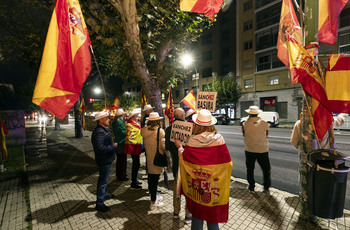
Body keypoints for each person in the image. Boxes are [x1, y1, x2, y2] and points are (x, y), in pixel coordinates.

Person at [175, 109, 233, 230]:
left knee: (197, 216)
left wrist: (180, 148)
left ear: (196, 125)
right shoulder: (219, 139)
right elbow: (227, 164)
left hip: (198, 186)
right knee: (212, 219)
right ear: (211, 124)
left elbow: (186, 162)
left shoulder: (192, 141)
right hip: (213, 187)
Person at [165, 108, 191, 222]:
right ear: (182, 116)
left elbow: (167, 147)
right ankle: (188, 215)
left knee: (177, 189)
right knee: (188, 190)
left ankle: (176, 212)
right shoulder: (188, 128)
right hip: (187, 164)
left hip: (176, 164)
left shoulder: (169, 129)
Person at [91, 112, 118, 212]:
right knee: (102, 181)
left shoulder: (103, 130)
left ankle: (105, 195)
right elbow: (100, 148)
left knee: (105, 179)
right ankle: (100, 203)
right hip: (104, 160)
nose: (108, 120)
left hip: (106, 159)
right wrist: (113, 146)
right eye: (106, 118)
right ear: (101, 120)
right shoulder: (99, 132)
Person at [241, 105, 271, 195]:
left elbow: (244, 134)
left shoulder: (244, 124)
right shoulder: (265, 123)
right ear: (258, 113)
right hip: (262, 150)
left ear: (249, 114)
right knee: (266, 169)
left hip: (249, 150)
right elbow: (266, 135)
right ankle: (266, 188)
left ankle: (251, 187)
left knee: (250, 169)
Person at [141, 112, 166, 210]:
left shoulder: (144, 131)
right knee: (155, 180)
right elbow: (164, 146)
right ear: (157, 121)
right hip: (157, 158)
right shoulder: (160, 131)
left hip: (149, 158)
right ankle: (153, 201)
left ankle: (152, 196)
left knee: (151, 178)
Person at [125, 109, 143, 190]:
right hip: (134, 147)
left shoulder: (134, 123)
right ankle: (133, 183)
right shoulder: (130, 125)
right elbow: (131, 136)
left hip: (136, 146)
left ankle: (135, 180)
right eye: (136, 116)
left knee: (136, 164)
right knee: (136, 164)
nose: (138, 117)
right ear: (132, 117)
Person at [112, 108, 128, 181]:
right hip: (122, 143)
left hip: (117, 142)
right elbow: (123, 132)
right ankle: (122, 176)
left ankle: (119, 175)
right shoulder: (120, 122)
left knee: (119, 160)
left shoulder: (114, 121)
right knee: (122, 161)